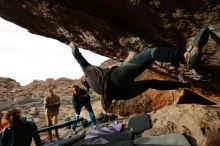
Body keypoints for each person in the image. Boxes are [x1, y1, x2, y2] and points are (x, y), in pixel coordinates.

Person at [69, 27, 220, 112]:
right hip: (116, 79)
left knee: (150, 83)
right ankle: (186, 55)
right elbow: (77, 55)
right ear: (84, 78)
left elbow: (112, 81)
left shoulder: (96, 88)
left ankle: (184, 85)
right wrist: (71, 44)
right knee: (149, 54)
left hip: (121, 94)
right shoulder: (87, 72)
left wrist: (127, 61)